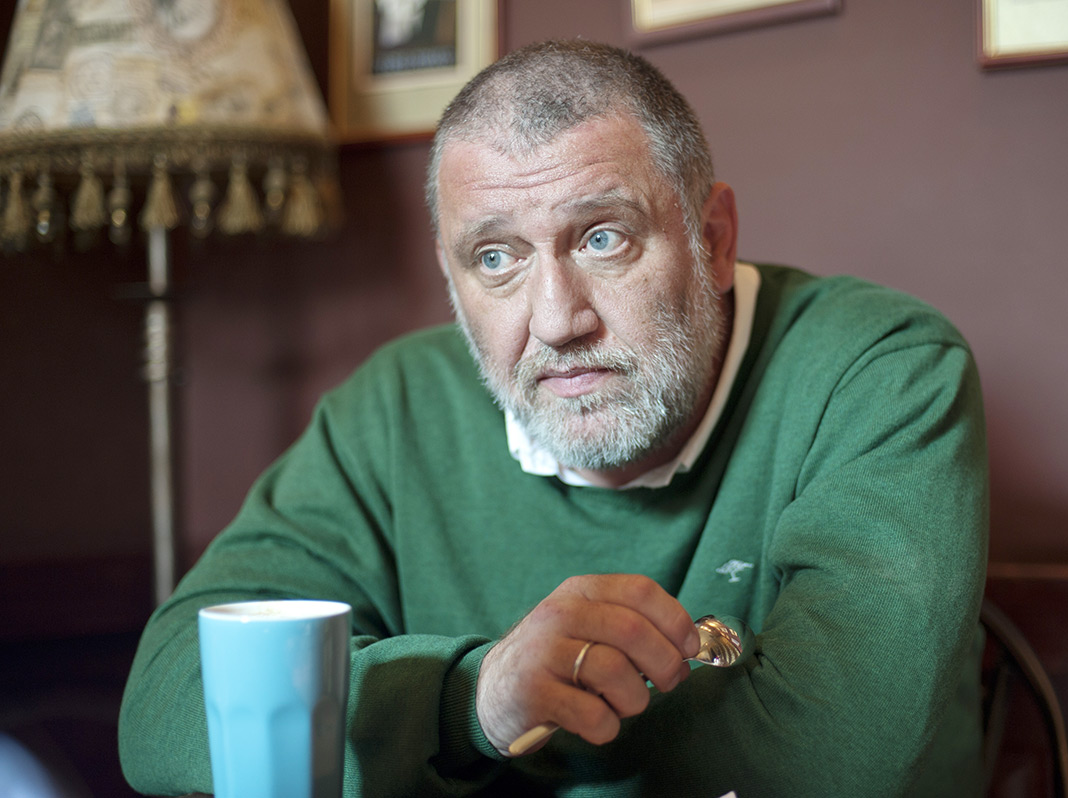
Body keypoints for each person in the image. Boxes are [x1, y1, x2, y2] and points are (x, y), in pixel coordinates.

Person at [118, 39, 988, 797]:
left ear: (714, 239)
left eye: (603, 237)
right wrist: (477, 700)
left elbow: (831, 760)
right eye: (496, 258)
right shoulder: (393, 409)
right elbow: (169, 705)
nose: (556, 320)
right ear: (450, 275)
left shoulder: (882, 373)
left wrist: (438, 751)